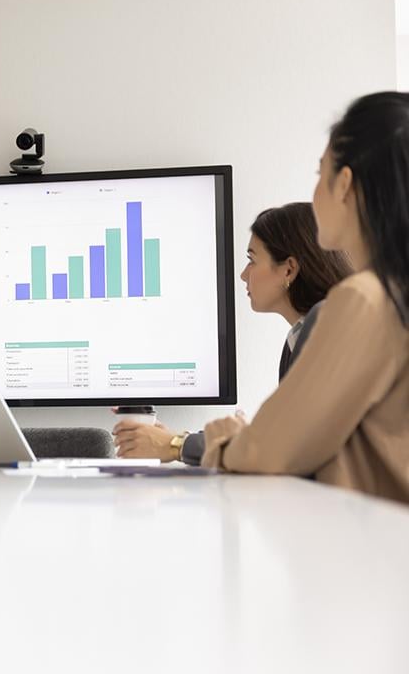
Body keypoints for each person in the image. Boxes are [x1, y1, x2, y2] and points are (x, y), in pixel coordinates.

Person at [201, 92, 409, 499]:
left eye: (319, 173)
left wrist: (222, 443)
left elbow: (269, 448)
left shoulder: (365, 299)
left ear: (344, 184)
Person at [114, 203, 352, 463]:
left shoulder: (327, 328)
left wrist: (175, 444)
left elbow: (283, 446)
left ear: (288, 269)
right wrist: (171, 440)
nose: (243, 274)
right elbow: (277, 438)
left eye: (252, 260)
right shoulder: (298, 338)